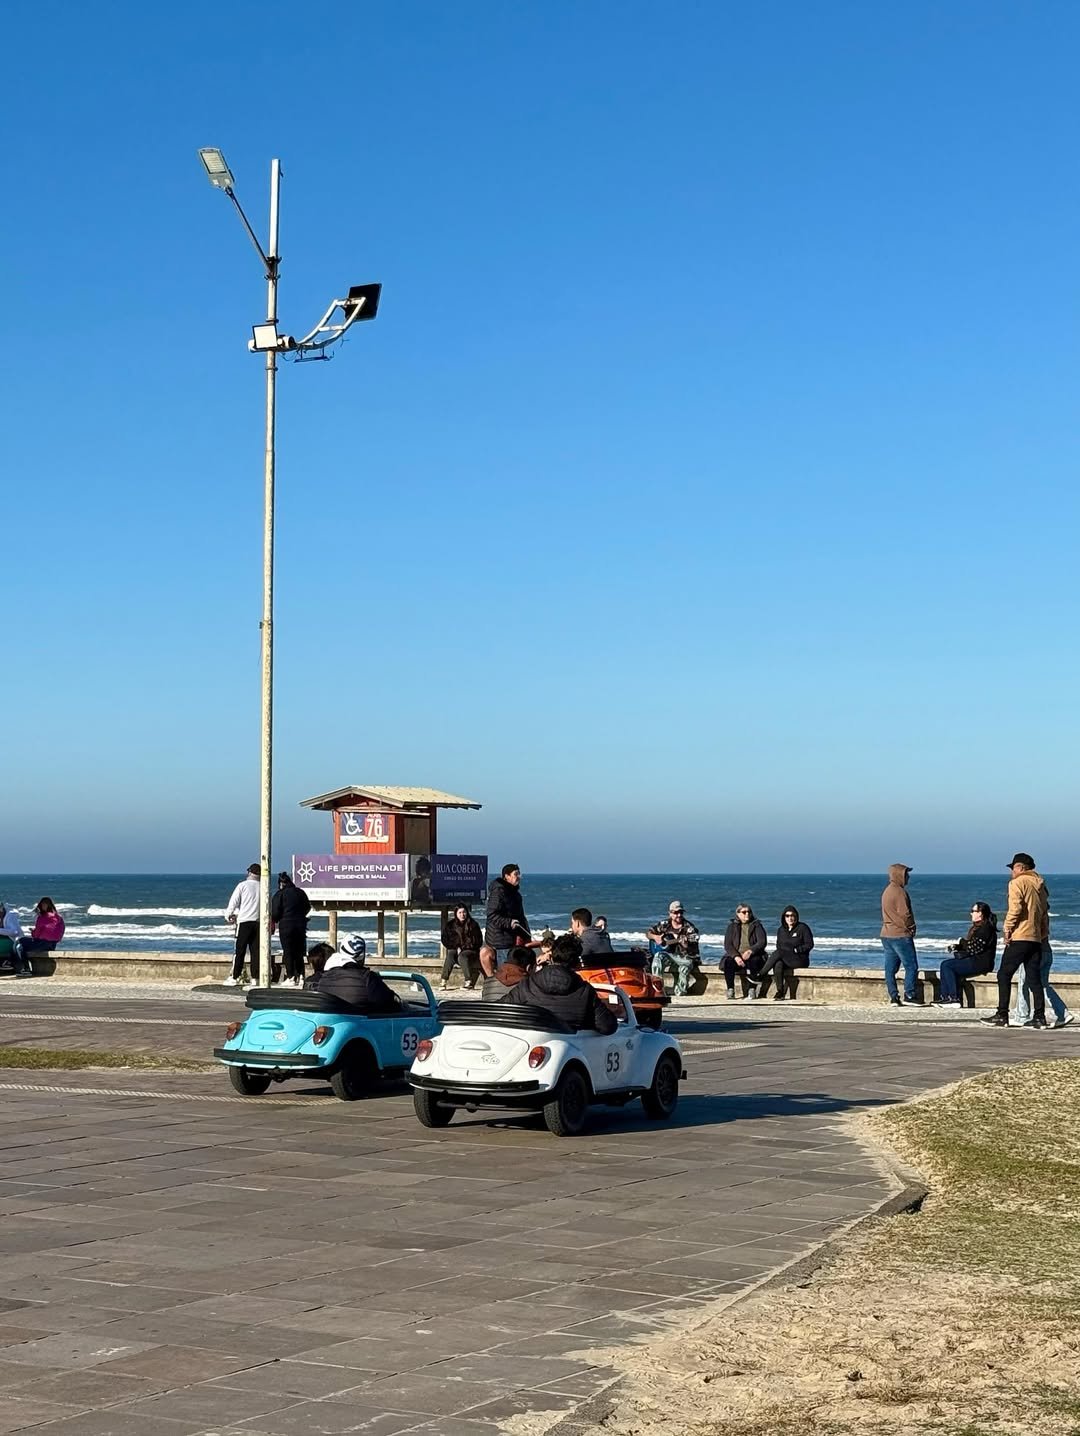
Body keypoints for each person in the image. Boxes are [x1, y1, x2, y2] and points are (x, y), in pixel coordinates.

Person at [982, 854, 1050, 1029]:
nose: (1011, 872)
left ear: (1020, 867)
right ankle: (1039, 1017)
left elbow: (1016, 908)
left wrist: (1007, 929)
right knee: (1034, 978)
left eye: (1013, 868)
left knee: (1004, 974)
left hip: (1020, 936)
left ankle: (1002, 1014)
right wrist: (1042, 934)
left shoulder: (1017, 883)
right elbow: (1044, 913)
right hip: (1035, 938)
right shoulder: (1040, 886)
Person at [500, 933, 618, 1034]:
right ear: (577, 964)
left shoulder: (529, 984)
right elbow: (608, 1026)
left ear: (551, 958)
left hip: (531, 1044)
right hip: (570, 1046)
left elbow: (500, 1010)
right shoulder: (585, 991)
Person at [309, 934, 401, 1012]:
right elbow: (391, 1002)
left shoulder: (324, 977)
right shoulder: (367, 978)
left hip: (332, 1021)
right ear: (362, 957)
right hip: (360, 1023)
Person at [934, 902, 997, 1006]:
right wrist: (957, 946)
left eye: (973, 911)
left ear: (981, 913)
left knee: (947, 965)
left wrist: (962, 942)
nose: (971, 914)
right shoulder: (978, 927)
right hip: (975, 960)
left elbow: (975, 948)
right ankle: (945, 997)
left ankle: (953, 998)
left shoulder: (986, 929)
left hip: (981, 963)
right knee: (946, 965)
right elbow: (971, 945)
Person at [756, 906, 814, 1001]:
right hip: (785, 958)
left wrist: (797, 950)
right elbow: (779, 945)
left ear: (796, 916)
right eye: (787, 916)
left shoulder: (803, 928)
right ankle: (780, 992)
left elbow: (809, 944)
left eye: (792, 915)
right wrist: (785, 952)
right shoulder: (781, 930)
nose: (790, 918)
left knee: (779, 952)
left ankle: (761, 975)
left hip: (799, 959)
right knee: (778, 963)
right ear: (784, 917)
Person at [881, 863, 918, 1006]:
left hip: (887, 934)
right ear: (899, 875)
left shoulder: (887, 891)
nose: (908, 877)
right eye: (906, 874)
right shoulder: (900, 892)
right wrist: (912, 927)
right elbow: (905, 914)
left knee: (890, 969)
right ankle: (910, 995)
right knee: (911, 966)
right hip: (900, 934)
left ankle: (894, 996)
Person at [1014, 942, 1074, 1029]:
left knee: (1024, 983)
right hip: (1047, 952)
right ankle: (1063, 1013)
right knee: (1043, 985)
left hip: (1033, 953)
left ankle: (1022, 1016)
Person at [647, 901, 701, 997]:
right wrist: (655, 937)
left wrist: (685, 945)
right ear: (670, 913)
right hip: (670, 956)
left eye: (681, 912)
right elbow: (648, 933)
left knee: (681, 988)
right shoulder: (664, 924)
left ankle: (680, 990)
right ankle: (657, 987)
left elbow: (693, 951)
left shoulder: (689, 928)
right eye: (676, 913)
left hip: (685, 958)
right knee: (658, 956)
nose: (679, 915)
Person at [270, 872, 312, 988]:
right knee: (299, 952)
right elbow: (307, 907)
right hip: (300, 925)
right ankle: (301, 976)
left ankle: (291, 977)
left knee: (288, 951)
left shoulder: (280, 894)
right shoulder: (300, 892)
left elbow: (275, 912)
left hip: (286, 925)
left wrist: (277, 919)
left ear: (281, 884)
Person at [485, 863, 531, 965]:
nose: (519, 877)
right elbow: (491, 914)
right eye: (516, 874)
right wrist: (509, 922)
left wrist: (526, 934)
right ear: (507, 876)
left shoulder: (516, 894)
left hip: (513, 937)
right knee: (506, 968)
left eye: (519, 874)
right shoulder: (498, 891)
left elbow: (520, 916)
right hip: (501, 939)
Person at [225, 863, 262, 987]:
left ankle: (235, 976)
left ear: (250, 873)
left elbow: (234, 901)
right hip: (258, 923)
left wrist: (228, 915)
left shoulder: (243, 885)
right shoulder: (263, 886)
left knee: (240, 950)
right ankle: (255, 978)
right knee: (255, 952)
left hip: (244, 921)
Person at [723, 903, 768, 1000]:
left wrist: (750, 951)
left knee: (755, 961)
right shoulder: (732, 926)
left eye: (749, 912)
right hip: (738, 956)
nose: (747, 914)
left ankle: (752, 989)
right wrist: (736, 956)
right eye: (744, 912)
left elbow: (762, 942)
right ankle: (730, 989)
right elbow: (728, 945)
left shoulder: (757, 925)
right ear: (738, 914)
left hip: (753, 955)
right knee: (728, 962)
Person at [11, 897, 65, 978]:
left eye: (43, 905)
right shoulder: (58, 917)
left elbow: (36, 935)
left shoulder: (42, 917)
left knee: (19, 944)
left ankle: (24, 968)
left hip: (42, 943)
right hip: (52, 945)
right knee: (22, 945)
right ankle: (22, 968)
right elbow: (59, 931)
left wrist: (33, 931)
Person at [440, 904, 483, 990]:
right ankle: (443, 981)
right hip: (456, 949)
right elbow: (445, 940)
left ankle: (468, 982)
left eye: (464, 912)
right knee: (451, 954)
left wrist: (463, 948)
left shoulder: (473, 925)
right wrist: (456, 947)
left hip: (470, 951)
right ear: (456, 914)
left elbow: (478, 941)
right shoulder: (450, 925)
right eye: (459, 913)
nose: (462, 915)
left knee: (462, 956)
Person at [0, 900, 25, 971]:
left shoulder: (10, 915)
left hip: (12, 941)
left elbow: (14, 932)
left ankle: (6, 963)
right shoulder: (2, 915)